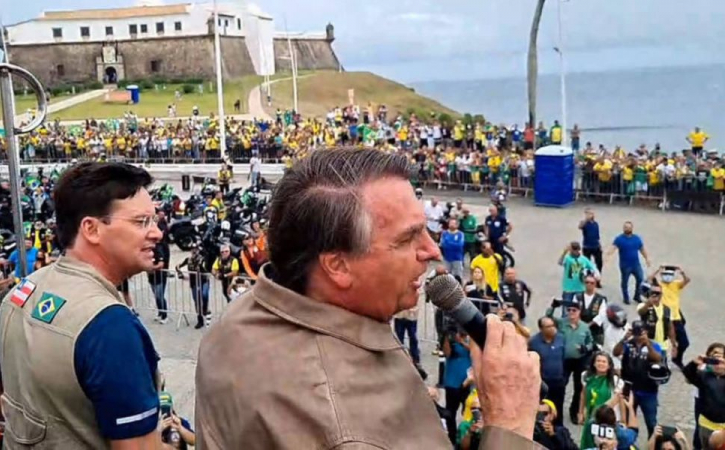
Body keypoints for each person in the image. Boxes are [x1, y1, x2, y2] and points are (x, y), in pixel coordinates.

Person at [195, 149, 544, 449]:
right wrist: (510, 424)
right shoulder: (353, 428)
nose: (432, 250)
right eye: (407, 239)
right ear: (338, 266)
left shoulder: (239, 318)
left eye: (425, 229)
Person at [0, 163, 169, 448]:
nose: (157, 233)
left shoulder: (24, 289)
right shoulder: (110, 326)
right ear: (91, 229)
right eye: (141, 222)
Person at [547, 297, 595, 425]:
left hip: (580, 360)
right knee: (560, 386)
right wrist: (553, 307)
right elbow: (548, 318)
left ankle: (574, 412)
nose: (571, 312)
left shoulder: (584, 327)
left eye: (574, 310)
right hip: (564, 360)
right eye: (569, 310)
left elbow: (591, 342)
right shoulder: (561, 323)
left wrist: (586, 348)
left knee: (578, 387)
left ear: (579, 312)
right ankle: (557, 413)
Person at [613, 320, 664, 437]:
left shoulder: (653, 345)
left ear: (646, 331)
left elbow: (657, 358)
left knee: (651, 422)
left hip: (648, 390)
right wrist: (624, 339)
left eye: (640, 332)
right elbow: (616, 352)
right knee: (628, 421)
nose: (637, 336)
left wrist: (647, 344)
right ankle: (630, 443)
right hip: (630, 389)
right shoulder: (628, 344)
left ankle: (653, 443)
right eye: (636, 332)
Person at [683, 343, 725, 449]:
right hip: (706, 424)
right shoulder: (704, 376)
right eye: (715, 360)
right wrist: (694, 363)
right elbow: (688, 374)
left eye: (722, 361)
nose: (718, 364)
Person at [578, 352, 624, 448]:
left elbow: (618, 400)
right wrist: (581, 412)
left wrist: (623, 421)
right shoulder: (586, 376)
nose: (601, 363)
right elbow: (583, 394)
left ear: (609, 365)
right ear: (594, 363)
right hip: (590, 416)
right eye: (598, 361)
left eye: (604, 362)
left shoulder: (615, 381)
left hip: (607, 419)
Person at [649, 265, 690, 368]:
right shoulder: (659, 286)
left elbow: (687, 280)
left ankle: (677, 359)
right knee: (662, 342)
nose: (667, 276)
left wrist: (681, 271)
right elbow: (649, 279)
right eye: (665, 274)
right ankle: (660, 361)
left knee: (684, 343)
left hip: (676, 318)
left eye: (670, 275)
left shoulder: (676, 284)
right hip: (663, 318)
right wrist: (658, 270)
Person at [529, 316, 567, 425]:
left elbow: (565, 359)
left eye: (553, 325)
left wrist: (564, 377)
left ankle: (558, 428)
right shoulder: (534, 342)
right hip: (543, 382)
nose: (552, 328)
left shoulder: (561, 338)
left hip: (558, 381)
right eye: (548, 326)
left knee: (558, 407)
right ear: (541, 329)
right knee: (543, 408)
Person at [606, 222, 651, 305]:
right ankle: (626, 297)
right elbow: (613, 248)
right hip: (625, 265)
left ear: (632, 228)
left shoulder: (636, 239)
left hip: (636, 264)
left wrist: (647, 258)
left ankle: (637, 296)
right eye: (625, 227)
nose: (627, 229)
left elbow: (642, 249)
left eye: (629, 227)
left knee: (640, 279)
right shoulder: (619, 239)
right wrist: (607, 256)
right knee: (625, 281)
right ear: (623, 228)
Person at [636, 280, 677, 357]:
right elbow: (641, 312)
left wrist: (674, 344)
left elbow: (670, 327)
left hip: (663, 346)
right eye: (653, 292)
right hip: (648, 344)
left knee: (661, 363)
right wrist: (648, 303)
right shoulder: (643, 305)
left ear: (661, 294)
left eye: (658, 293)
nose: (655, 295)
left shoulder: (666, 309)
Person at [558, 242, 598, 307]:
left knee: (580, 307)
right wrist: (564, 253)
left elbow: (593, 268)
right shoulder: (567, 258)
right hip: (568, 288)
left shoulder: (583, 259)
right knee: (566, 307)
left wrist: (596, 276)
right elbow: (560, 262)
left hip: (580, 288)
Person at [575, 274, 608, 345]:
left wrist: (589, 324)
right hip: (579, 329)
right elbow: (574, 310)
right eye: (587, 282)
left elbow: (602, 315)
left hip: (596, 331)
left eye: (592, 283)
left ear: (595, 284)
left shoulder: (601, 299)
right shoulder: (577, 297)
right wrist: (581, 324)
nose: (589, 284)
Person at [579, 208, 603, 276]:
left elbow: (597, 236)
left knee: (599, 262)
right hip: (587, 247)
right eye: (588, 213)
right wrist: (586, 220)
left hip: (596, 246)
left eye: (591, 213)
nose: (590, 215)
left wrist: (600, 245)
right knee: (587, 263)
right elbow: (580, 226)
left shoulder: (596, 224)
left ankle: (598, 275)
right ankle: (587, 275)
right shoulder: (584, 223)